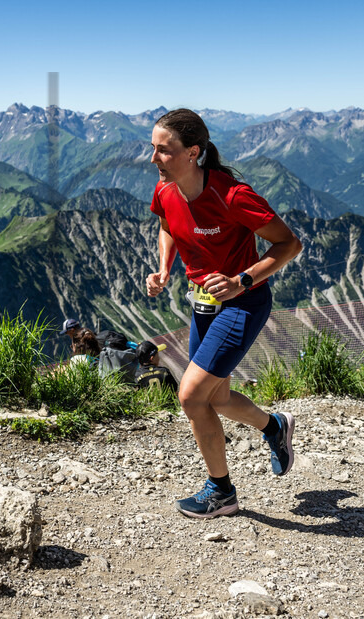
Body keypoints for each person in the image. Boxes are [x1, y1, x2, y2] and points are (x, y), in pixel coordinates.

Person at [145, 108, 303, 519]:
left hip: (244, 303)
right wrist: (164, 268)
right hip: (203, 303)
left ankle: (222, 492)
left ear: (193, 152)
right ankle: (274, 427)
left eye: (163, 151)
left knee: (192, 396)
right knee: (215, 398)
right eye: (152, 149)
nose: (154, 159)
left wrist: (243, 280)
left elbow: (289, 245)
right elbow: (167, 224)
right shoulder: (165, 190)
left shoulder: (232, 195)